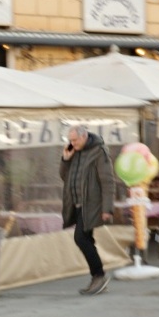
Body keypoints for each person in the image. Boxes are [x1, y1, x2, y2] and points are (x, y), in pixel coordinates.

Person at [60, 125, 115, 296]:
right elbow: (64, 177)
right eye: (71, 140)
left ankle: (99, 275)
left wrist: (107, 208)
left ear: (84, 137)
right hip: (76, 203)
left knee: (81, 237)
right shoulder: (74, 152)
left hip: (91, 204)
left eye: (75, 140)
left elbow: (108, 181)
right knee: (85, 239)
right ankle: (98, 280)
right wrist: (65, 159)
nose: (72, 143)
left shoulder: (99, 152)